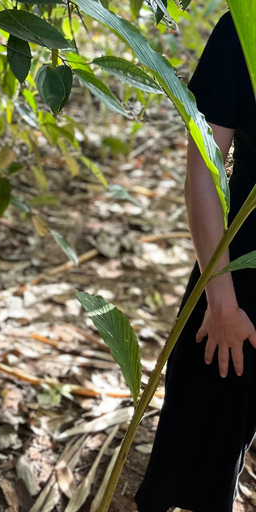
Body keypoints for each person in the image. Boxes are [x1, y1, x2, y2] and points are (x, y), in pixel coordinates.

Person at [135, 11, 256, 512]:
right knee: (195, 452)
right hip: (242, 267)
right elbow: (205, 171)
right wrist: (221, 300)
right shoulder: (243, 29)